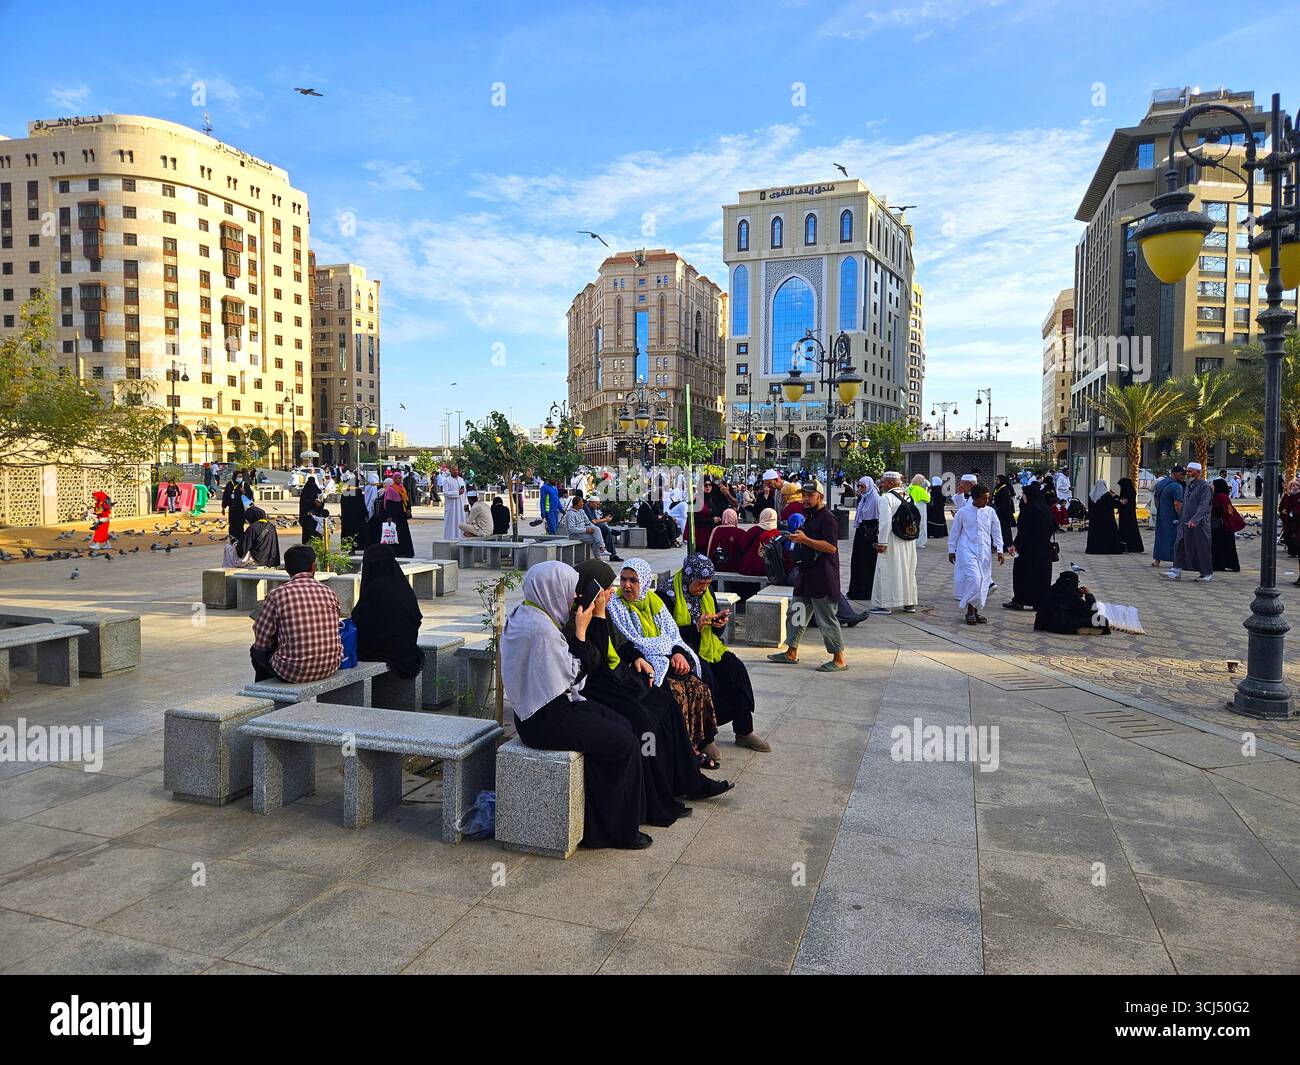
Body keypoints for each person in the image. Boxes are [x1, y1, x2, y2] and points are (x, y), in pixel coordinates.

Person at [500, 561, 651, 850]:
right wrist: (581, 633)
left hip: (545, 710)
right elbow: (576, 674)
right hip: (544, 720)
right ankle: (619, 832)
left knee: (621, 724)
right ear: (552, 590)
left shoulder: (528, 613)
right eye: (569, 591)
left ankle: (598, 820)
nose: (572, 598)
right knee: (626, 743)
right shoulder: (542, 630)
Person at [567, 559, 732, 805]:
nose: (619, 588)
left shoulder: (628, 607)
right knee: (649, 718)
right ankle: (659, 791)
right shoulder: (585, 617)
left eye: (631, 580)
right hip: (601, 687)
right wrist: (597, 620)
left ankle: (690, 775)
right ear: (593, 590)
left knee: (673, 702)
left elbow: (622, 644)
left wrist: (637, 658)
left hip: (620, 676)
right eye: (613, 584)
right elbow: (593, 662)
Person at [606, 557, 722, 768]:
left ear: (644, 581)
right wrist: (669, 655)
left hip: (665, 657)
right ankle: (685, 754)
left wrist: (677, 652)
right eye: (623, 579)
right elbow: (630, 642)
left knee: (698, 686)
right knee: (676, 695)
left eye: (633, 580)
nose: (626, 585)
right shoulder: (615, 606)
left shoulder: (653, 601)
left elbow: (672, 634)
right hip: (642, 663)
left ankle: (698, 742)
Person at [661, 554, 771, 753]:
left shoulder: (706, 591)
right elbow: (666, 634)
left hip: (708, 646)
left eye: (707, 583)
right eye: (700, 583)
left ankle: (744, 731)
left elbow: (715, 630)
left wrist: (718, 624)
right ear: (688, 578)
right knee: (706, 675)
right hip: (681, 650)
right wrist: (695, 627)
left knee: (735, 667)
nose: (704, 588)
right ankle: (705, 737)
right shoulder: (667, 594)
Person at [766, 481, 848, 672]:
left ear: (820, 496)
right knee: (797, 613)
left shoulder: (828, 518)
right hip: (806, 575)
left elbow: (830, 547)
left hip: (822, 576)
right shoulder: (809, 516)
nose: (805, 499)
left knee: (826, 618)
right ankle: (791, 651)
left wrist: (805, 540)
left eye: (810, 495)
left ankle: (839, 658)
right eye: (804, 495)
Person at [250, 544, 344, 683]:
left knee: (256, 652)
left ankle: (265, 694)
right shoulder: (328, 591)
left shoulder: (277, 594)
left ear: (287, 569)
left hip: (292, 672)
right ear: (313, 567)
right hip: (330, 665)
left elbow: (262, 637)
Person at [351, 543, 423, 679]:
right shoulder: (401, 585)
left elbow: (361, 622)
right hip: (406, 646)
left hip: (383, 650)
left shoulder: (375, 589)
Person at [950, 483, 1006, 625]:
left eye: (988, 499)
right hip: (966, 549)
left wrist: (999, 549)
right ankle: (969, 609)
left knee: (983, 581)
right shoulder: (963, 512)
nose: (986, 501)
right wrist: (951, 549)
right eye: (983, 499)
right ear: (974, 498)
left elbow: (996, 530)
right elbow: (955, 531)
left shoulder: (990, 512)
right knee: (975, 578)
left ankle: (975, 611)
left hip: (984, 551)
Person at [871, 471, 919, 614]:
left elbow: (885, 522)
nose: (881, 485)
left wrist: (882, 542)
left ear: (891, 483)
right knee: (907, 570)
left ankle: (884, 605)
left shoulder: (886, 498)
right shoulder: (908, 496)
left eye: (883, 482)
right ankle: (908, 603)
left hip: (891, 540)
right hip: (907, 539)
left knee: (886, 570)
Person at [1004, 482, 1053, 610]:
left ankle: (1019, 600)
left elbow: (1023, 532)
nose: (1023, 497)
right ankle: (1039, 603)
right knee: (1041, 577)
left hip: (1027, 550)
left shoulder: (1029, 511)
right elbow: (1053, 527)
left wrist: (1015, 545)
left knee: (1022, 575)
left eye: (1024, 495)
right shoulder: (1045, 509)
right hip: (1044, 550)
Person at [1166, 462, 1213, 581]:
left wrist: (1195, 520)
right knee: (1180, 544)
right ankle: (1176, 570)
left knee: (1201, 548)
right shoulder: (1188, 485)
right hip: (1184, 522)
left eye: (1190, 471)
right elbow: (1185, 504)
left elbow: (1204, 505)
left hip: (1199, 524)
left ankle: (1206, 573)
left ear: (1198, 473)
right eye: (1187, 471)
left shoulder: (1204, 486)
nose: (1187, 473)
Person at [1034, 572, 1110, 635]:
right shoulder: (1071, 595)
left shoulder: (1051, 590)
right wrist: (1088, 595)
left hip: (1043, 625)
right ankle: (1084, 630)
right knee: (1102, 619)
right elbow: (1092, 611)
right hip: (1062, 627)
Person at [847, 476, 879, 601]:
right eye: (859, 486)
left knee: (867, 564)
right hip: (861, 532)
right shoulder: (864, 498)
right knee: (857, 562)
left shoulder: (875, 499)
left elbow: (877, 519)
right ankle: (856, 591)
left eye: (863, 486)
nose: (860, 489)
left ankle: (866, 592)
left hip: (870, 535)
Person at [563, 490, 612, 562]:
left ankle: (602, 549)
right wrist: (586, 530)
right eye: (581, 502)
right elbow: (571, 529)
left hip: (583, 532)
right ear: (577, 504)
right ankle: (599, 558)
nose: (583, 503)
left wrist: (592, 528)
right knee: (596, 539)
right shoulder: (570, 514)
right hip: (575, 535)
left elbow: (588, 522)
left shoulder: (581, 511)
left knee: (597, 529)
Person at [1151, 466, 1185, 568]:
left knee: (1160, 536)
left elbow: (1156, 498)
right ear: (1174, 473)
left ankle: (1157, 560)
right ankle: (1176, 561)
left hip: (1162, 514)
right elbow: (1177, 504)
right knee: (1174, 538)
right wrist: (1182, 517)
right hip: (1173, 517)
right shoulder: (1176, 487)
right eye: (1182, 474)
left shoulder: (1162, 483)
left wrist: (1160, 510)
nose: (1184, 476)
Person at [737, 508, 781, 577]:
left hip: (750, 568)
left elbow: (743, 547)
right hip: (771, 570)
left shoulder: (753, 530)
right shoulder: (777, 534)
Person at [1210, 478, 1241, 572]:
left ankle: (1219, 565)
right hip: (1224, 526)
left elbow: (1221, 510)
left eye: (1213, 485)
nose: (1211, 486)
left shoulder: (1220, 497)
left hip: (1221, 526)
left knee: (1219, 546)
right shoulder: (1223, 496)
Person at [1085, 479, 1124, 554]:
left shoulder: (1091, 495)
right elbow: (1111, 504)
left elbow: (1090, 507)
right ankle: (1106, 549)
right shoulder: (1106, 494)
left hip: (1095, 519)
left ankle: (1093, 549)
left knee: (1095, 534)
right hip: (1106, 518)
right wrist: (1120, 502)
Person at [380, 476, 415, 558]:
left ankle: (406, 552)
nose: (398, 479)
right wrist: (388, 516)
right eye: (396, 478)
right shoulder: (390, 489)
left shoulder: (403, 488)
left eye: (399, 478)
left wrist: (408, 509)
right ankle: (396, 552)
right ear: (393, 479)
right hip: (394, 516)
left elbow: (406, 500)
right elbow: (387, 504)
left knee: (404, 534)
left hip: (402, 515)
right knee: (395, 534)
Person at [992, 474, 1016, 549]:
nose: (996, 481)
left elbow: (1006, 504)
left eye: (997, 480)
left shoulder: (1005, 490)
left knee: (1005, 530)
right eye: (995, 479)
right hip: (998, 512)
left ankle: (1007, 545)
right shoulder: (998, 488)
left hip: (1005, 514)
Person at [222, 471, 247, 540]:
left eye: (241, 476)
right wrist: (223, 507)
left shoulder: (244, 484)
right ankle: (232, 537)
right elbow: (225, 496)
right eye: (239, 476)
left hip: (241, 508)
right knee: (232, 523)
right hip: (232, 508)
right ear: (234, 476)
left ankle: (240, 538)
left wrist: (243, 492)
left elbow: (250, 495)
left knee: (240, 524)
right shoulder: (229, 484)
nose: (240, 478)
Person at [442, 466, 466, 539]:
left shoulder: (461, 480)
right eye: (453, 470)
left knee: (461, 521)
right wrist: (457, 492)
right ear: (450, 471)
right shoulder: (447, 480)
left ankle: (461, 537)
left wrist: (466, 503)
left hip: (461, 506)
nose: (455, 471)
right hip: (452, 507)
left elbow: (465, 493)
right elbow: (445, 493)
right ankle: (450, 537)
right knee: (451, 523)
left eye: (456, 470)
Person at [909, 474, 931, 550]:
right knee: (921, 525)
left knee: (913, 524)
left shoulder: (909, 488)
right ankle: (919, 542)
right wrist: (928, 492)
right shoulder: (920, 490)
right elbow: (927, 499)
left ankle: (912, 541)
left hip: (911, 508)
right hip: (920, 508)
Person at [298, 476, 321, 545]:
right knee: (307, 531)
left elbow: (321, 503)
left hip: (312, 516)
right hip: (307, 516)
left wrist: (318, 505)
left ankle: (311, 543)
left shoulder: (307, 491)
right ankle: (307, 543)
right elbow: (302, 504)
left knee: (312, 531)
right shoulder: (308, 491)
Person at [1280, 479, 1300, 558]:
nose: (1295, 487)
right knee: (1288, 536)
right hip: (1288, 520)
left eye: (1297, 485)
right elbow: (1281, 506)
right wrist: (1283, 510)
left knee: (1297, 537)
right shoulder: (1286, 496)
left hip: (1297, 520)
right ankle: (1292, 552)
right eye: (1293, 485)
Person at [927, 475, 949, 539]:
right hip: (940, 507)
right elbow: (944, 498)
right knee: (940, 519)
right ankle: (941, 533)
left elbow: (930, 497)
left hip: (933, 508)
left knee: (932, 520)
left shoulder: (933, 489)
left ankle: (933, 533)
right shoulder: (942, 489)